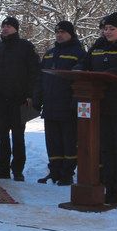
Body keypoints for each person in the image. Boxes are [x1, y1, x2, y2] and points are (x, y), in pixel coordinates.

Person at [75, 12, 117, 207]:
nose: (108, 32)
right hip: (100, 106)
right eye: (105, 29)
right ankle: (105, 185)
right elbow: (85, 63)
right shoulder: (98, 46)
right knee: (105, 149)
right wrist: (79, 68)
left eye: (112, 29)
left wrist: (112, 73)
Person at [0, 16, 39, 181]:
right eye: (4, 26)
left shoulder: (26, 48)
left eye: (9, 26)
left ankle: (18, 170)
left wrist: (30, 95)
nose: (5, 28)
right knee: (2, 136)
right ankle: (2, 168)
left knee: (18, 136)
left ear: (16, 28)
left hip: (19, 100)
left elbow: (33, 73)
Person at [36, 21, 85, 185]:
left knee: (69, 141)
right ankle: (54, 171)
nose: (59, 35)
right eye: (57, 32)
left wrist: (75, 102)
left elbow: (80, 80)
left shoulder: (78, 53)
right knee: (53, 141)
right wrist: (38, 99)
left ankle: (67, 173)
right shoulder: (49, 54)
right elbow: (40, 78)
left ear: (71, 33)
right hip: (50, 106)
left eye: (63, 32)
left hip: (67, 106)